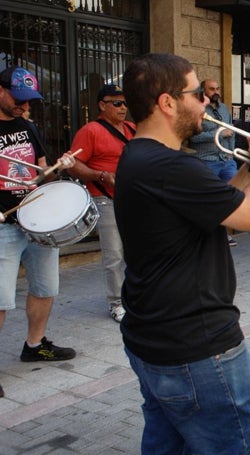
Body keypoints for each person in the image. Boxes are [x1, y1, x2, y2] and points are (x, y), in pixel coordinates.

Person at [114, 53, 250, 453]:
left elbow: (222, 209)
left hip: (154, 336)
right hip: (197, 347)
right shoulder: (171, 166)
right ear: (167, 102)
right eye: (198, 93)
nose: (207, 103)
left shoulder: (139, 156)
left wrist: (248, 165)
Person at [0, 65, 78, 398]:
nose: (24, 106)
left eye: (29, 100)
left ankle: (34, 344)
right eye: (18, 100)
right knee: (0, 300)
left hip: (36, 219)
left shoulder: (28, 126)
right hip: (3, 223)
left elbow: (41, 169)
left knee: (45, 287)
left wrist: (59, 168)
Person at [67, 84, 135, 322]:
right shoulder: (91, 131)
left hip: (132, 199)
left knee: (136, 252)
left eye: (125, 103)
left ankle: (135, 297)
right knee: (114, 253)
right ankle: (116, 302)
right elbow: (73, 163)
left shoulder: (131, 129)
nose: (122, 107)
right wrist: (100, 175)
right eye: (116, 103)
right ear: (102, 105)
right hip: (106, 199)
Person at [187, 78, 238, 246]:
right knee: (209, 199)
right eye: (211, 89)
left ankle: (225, 233)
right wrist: (217, 134)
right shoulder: (199, 109)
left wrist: (231, 152)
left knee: (231, 196)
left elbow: (231, 131)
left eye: (217, 88)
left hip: (226, 159)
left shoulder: (223, 108)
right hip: (207, 160)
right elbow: (193, 137)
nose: (216, 92)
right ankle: (208, 233)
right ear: (203, 91)